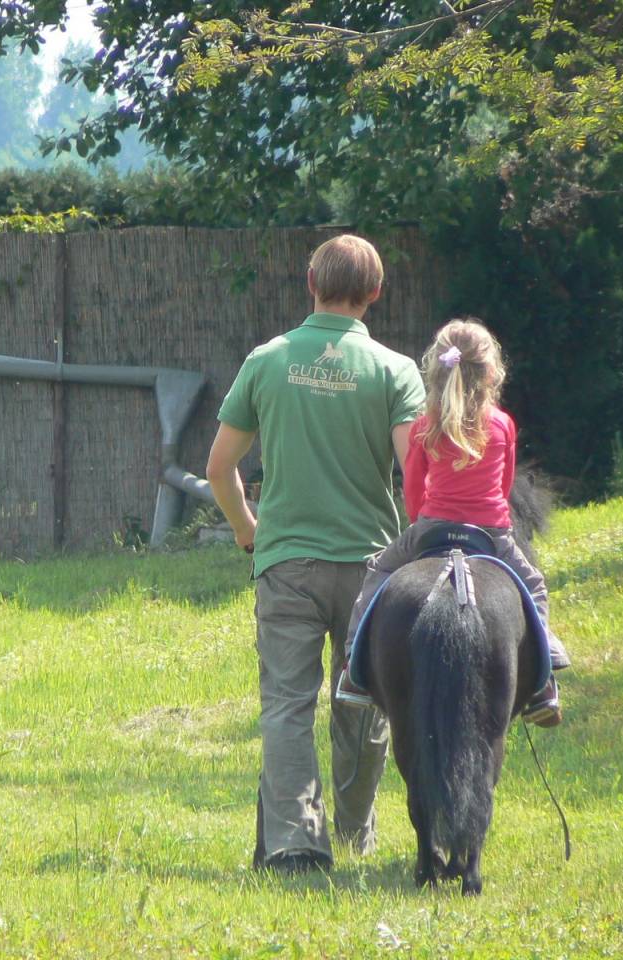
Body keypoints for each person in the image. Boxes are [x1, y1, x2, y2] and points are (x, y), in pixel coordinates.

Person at [205, 234, 426, 874]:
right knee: (363, 702)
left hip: (287, 564)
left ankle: (297, 844)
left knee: (286, 704)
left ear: (310, 283)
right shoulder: (395, 371)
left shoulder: (267, 361)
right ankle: (357, 831)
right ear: (376, 293)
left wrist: (249, 529)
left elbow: (221, 467)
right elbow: (415, 478)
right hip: (371, 570)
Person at [334, 317, 570, 726]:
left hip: (432, 528)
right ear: (492, 371)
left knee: (377, 572)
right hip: (492, 534)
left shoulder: (426, 425)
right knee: (532, 585)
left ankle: (354, 668)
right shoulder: (502, 425)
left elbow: (412, 491)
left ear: (437, 369)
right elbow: (505, 482)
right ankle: (544, 678)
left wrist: (420, 521)